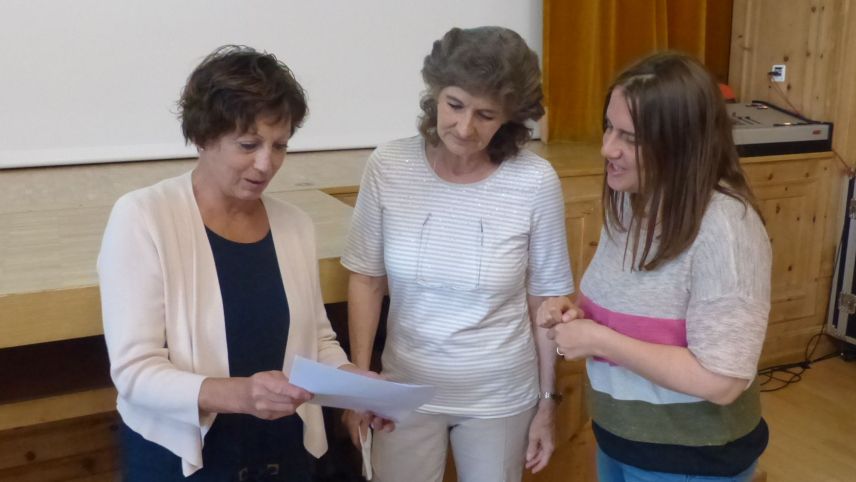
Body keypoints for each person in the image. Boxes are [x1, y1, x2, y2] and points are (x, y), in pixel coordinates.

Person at [98, 45, 390, 481]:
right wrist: (242, 395)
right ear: (203, 136)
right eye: (249, 144)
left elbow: (317, 342)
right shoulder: (143, 217)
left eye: (280, 146)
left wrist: (357, 388)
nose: (265, 163)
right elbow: (135, 372)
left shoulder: (294, 225)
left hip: (285, 456)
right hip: (185, 462)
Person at [341, 27, 573, 482]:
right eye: (455, 105)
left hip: (500, 397)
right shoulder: (388, 165)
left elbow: (544, 302)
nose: (465, 128)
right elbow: (366, 279)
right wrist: (357, 385)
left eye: (486, 115)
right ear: (434, 95)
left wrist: (547, 404)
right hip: (402, 388)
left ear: (510, 118)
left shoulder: (535, 181)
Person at [538, 51, 771, 481]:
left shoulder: (726, 228)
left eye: (631, 137)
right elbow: (631, 314)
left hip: (691, 462)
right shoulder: (630, 202)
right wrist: (574, 315)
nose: (608, 148)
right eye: (609, 127)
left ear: (682, 142)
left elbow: (722, 381)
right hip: (622, 443)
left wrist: (600, 340)